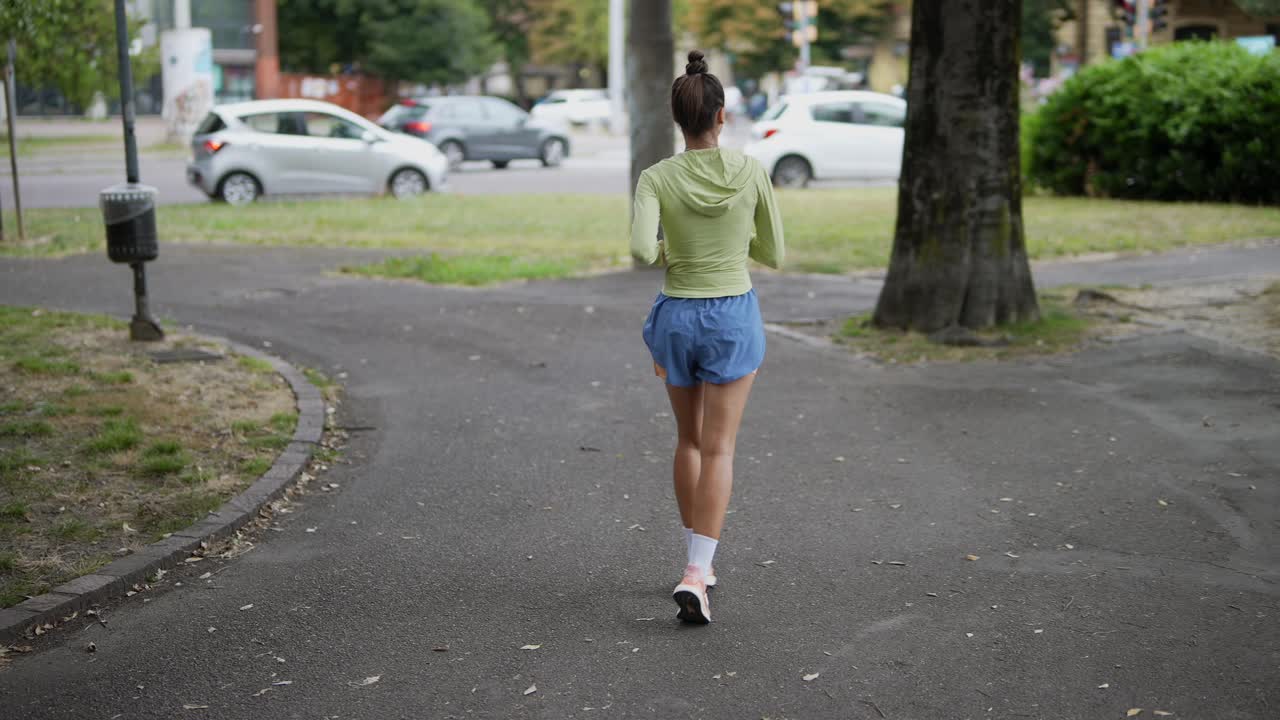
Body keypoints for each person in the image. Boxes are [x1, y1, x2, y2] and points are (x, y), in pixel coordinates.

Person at [630, 50, 785, 625]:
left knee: (688, 441)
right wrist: (732, 248)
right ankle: (698, 570)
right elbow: (775, 251)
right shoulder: (751, 172)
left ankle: (697, 560)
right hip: (732, 315)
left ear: (678, 119)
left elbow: (644, 250)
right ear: (721, 117)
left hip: (676, 314)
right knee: (720, 447)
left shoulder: (656, 177)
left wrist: (678, 250)